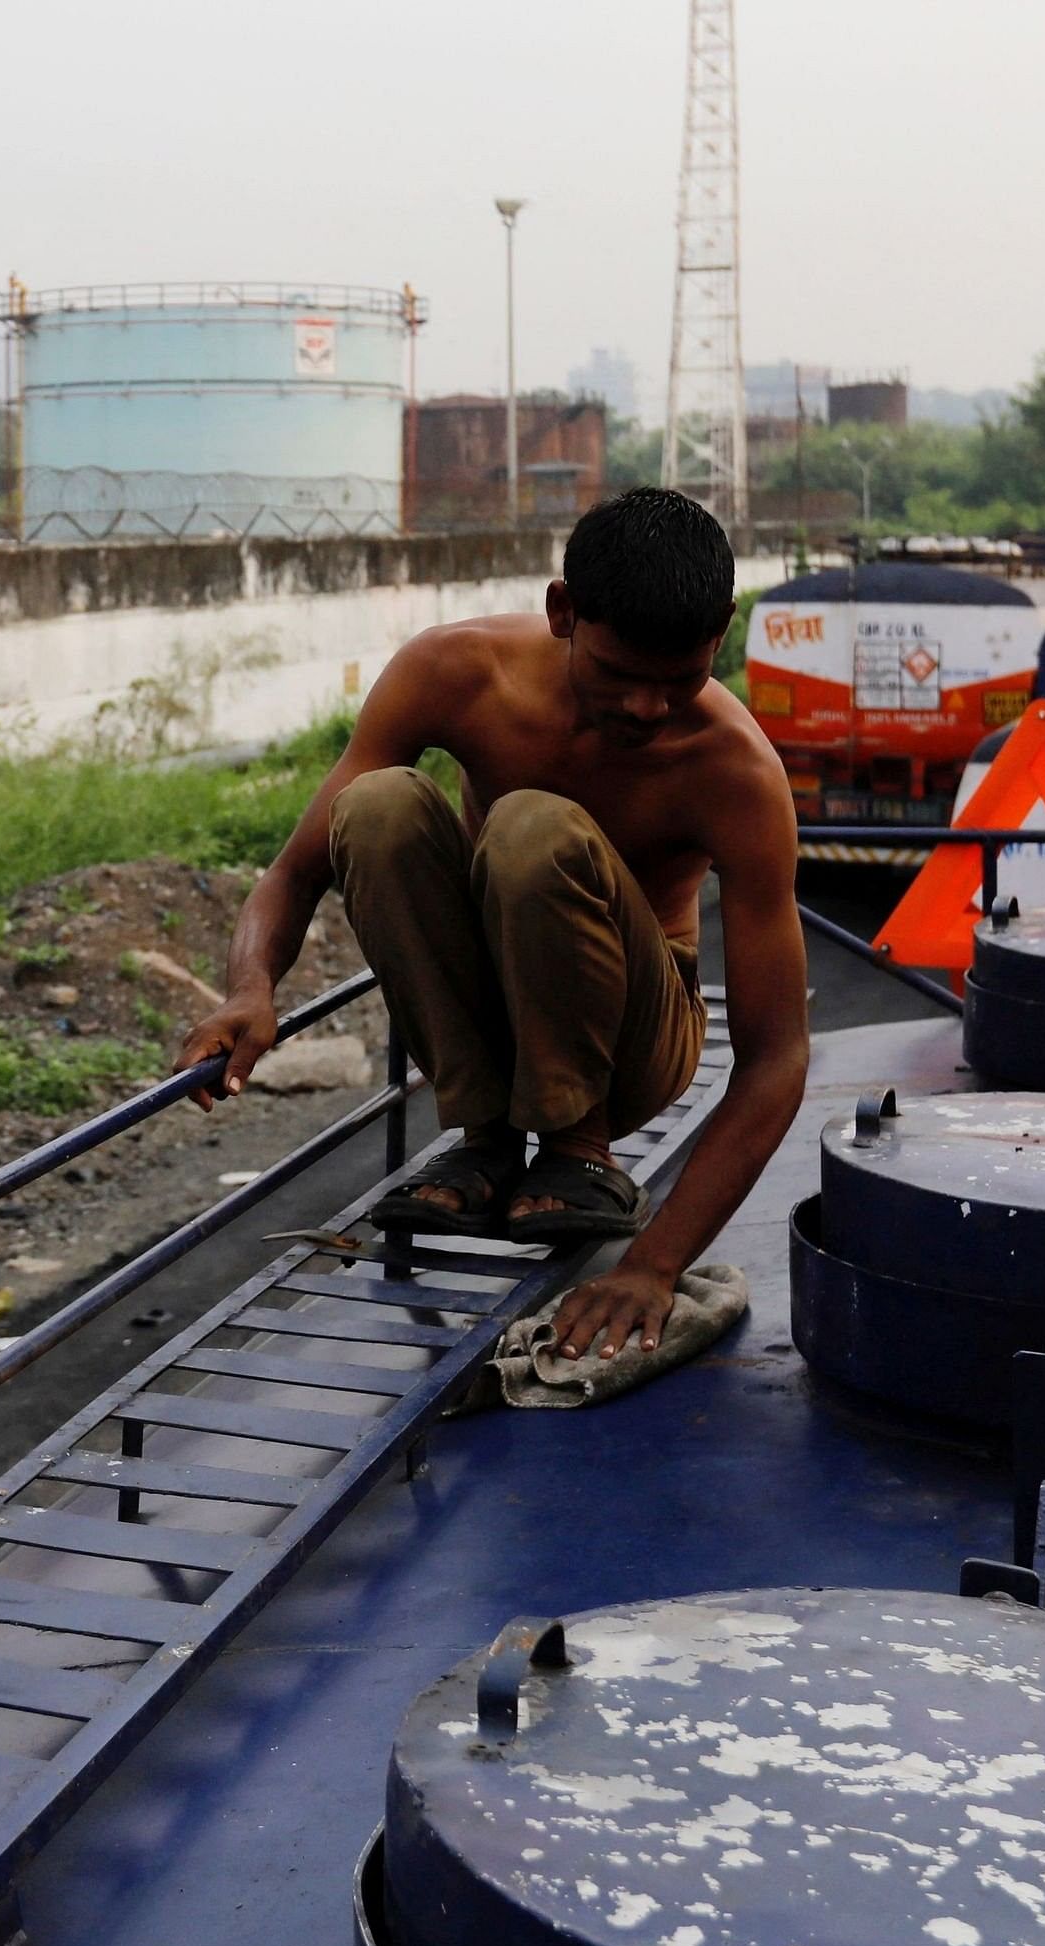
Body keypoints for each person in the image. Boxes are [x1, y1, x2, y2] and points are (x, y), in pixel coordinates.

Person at [174, 487, 808, 1365]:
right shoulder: (456, 672)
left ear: (721, 633)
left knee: (531, 827)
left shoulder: (736, 771)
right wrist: (250, 988)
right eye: (619, 674)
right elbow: (294, 870)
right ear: (562, 611)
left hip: (638, 1043)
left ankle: (579, 1148)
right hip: (494, 1018)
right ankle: (488, 1141)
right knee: (378, 806)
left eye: (680, 679)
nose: (646, 709)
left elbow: (777, 1057)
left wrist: (655, 1266)